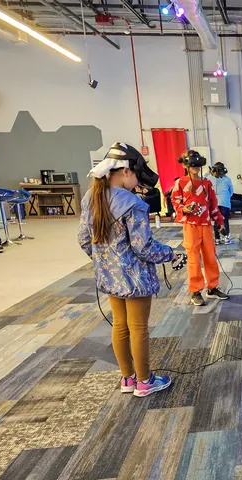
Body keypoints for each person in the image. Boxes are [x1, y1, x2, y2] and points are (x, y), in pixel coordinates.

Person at [78, 142, 176, 398]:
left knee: (120, 325)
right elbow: (144, 247)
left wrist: (105, 261)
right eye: (136, 178)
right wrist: (170, 253)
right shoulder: (133, 204)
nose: (137, 184)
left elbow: (84, 240)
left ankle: (128, 378)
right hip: (135, 278)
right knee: (139, 328)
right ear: (125, 172)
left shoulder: (91, 198)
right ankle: (144, 382)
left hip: (110, 277)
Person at [171, 150, 230, 306]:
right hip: (191, 226)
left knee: (210, 256)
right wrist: (184, 209)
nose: (195, 167)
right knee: (193, 259)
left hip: (206, 225)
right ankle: (195, 291)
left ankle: (212, 287)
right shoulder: (180, 182)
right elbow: (175, 201)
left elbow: (213, 204)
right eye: (192, 164)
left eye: (198, 164)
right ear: (185, 165)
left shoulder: (206, 183)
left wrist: (220, 221)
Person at [210, 162, 233, 244]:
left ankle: (217, 239)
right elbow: (231, 192)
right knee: (225, 220)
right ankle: (226, 238)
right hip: (224, 202)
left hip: (214, 203)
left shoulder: (209, 178)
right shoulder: (227, 179)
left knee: (217, 221)